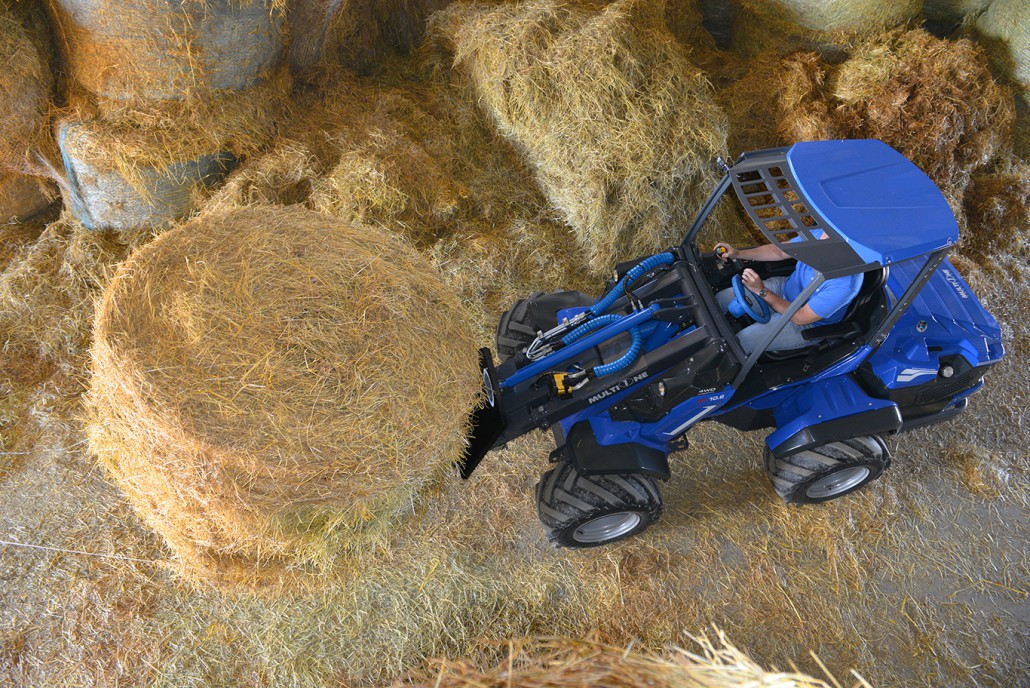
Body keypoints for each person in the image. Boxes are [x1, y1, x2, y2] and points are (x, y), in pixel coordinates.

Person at [713, 239, 862, 355]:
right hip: (785, 288)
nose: (821, 235)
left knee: (740, 342)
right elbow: (777, 251)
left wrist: (761, 291)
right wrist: (737, 253)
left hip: (805, 323)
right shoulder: (821, 235)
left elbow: (800, 317)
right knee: (722, 298)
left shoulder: (845, 284)